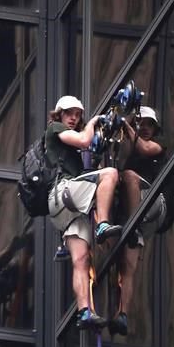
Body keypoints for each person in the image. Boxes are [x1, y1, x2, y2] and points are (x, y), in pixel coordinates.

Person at [46, 95, 123, 330]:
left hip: (66, 209)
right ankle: (102, 224)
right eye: (69, 113)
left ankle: (84, 312)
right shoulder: (55, 129)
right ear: (59, 114)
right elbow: (83, 140)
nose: (74, 118)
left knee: (81, 260)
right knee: (110, 175)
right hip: (64, 192)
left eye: (78, 114)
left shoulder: (68, 151)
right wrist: (93, 123)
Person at [110, 105, 166, 336]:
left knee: (129, 176)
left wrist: (126, 123)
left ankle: (131, 227)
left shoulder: (156, 147)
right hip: (135, 213)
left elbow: (142, 148)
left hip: (151, 204)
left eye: (149, 125)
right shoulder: (128, 148)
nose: (144, 128)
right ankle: (121, 314)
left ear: (154, 129)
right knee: (129, 266)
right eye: (141, 123)